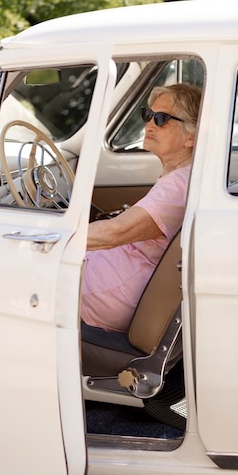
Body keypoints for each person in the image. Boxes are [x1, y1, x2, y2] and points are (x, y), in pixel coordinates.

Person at [81, 82, 202, 333]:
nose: (149, 125)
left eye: (162, 118)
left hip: (108, 296)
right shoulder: (180, 176)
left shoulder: (177, 188)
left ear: (191, 136)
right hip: (110, 283)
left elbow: (113, 233)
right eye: (148, 115)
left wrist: (50, 235)